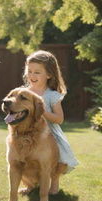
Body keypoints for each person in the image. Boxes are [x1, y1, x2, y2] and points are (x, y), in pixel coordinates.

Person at [23, 50, 78, 193]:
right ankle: (29, 184)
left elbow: (59, 119)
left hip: (49, 135)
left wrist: (42, 112)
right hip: (30, 134)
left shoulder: (52, 95)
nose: (32, 75)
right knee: (26, 160)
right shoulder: (25, 94)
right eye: (30, 71)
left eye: (37, 72)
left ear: (49, 74)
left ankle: (54, 184)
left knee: (54, 161)